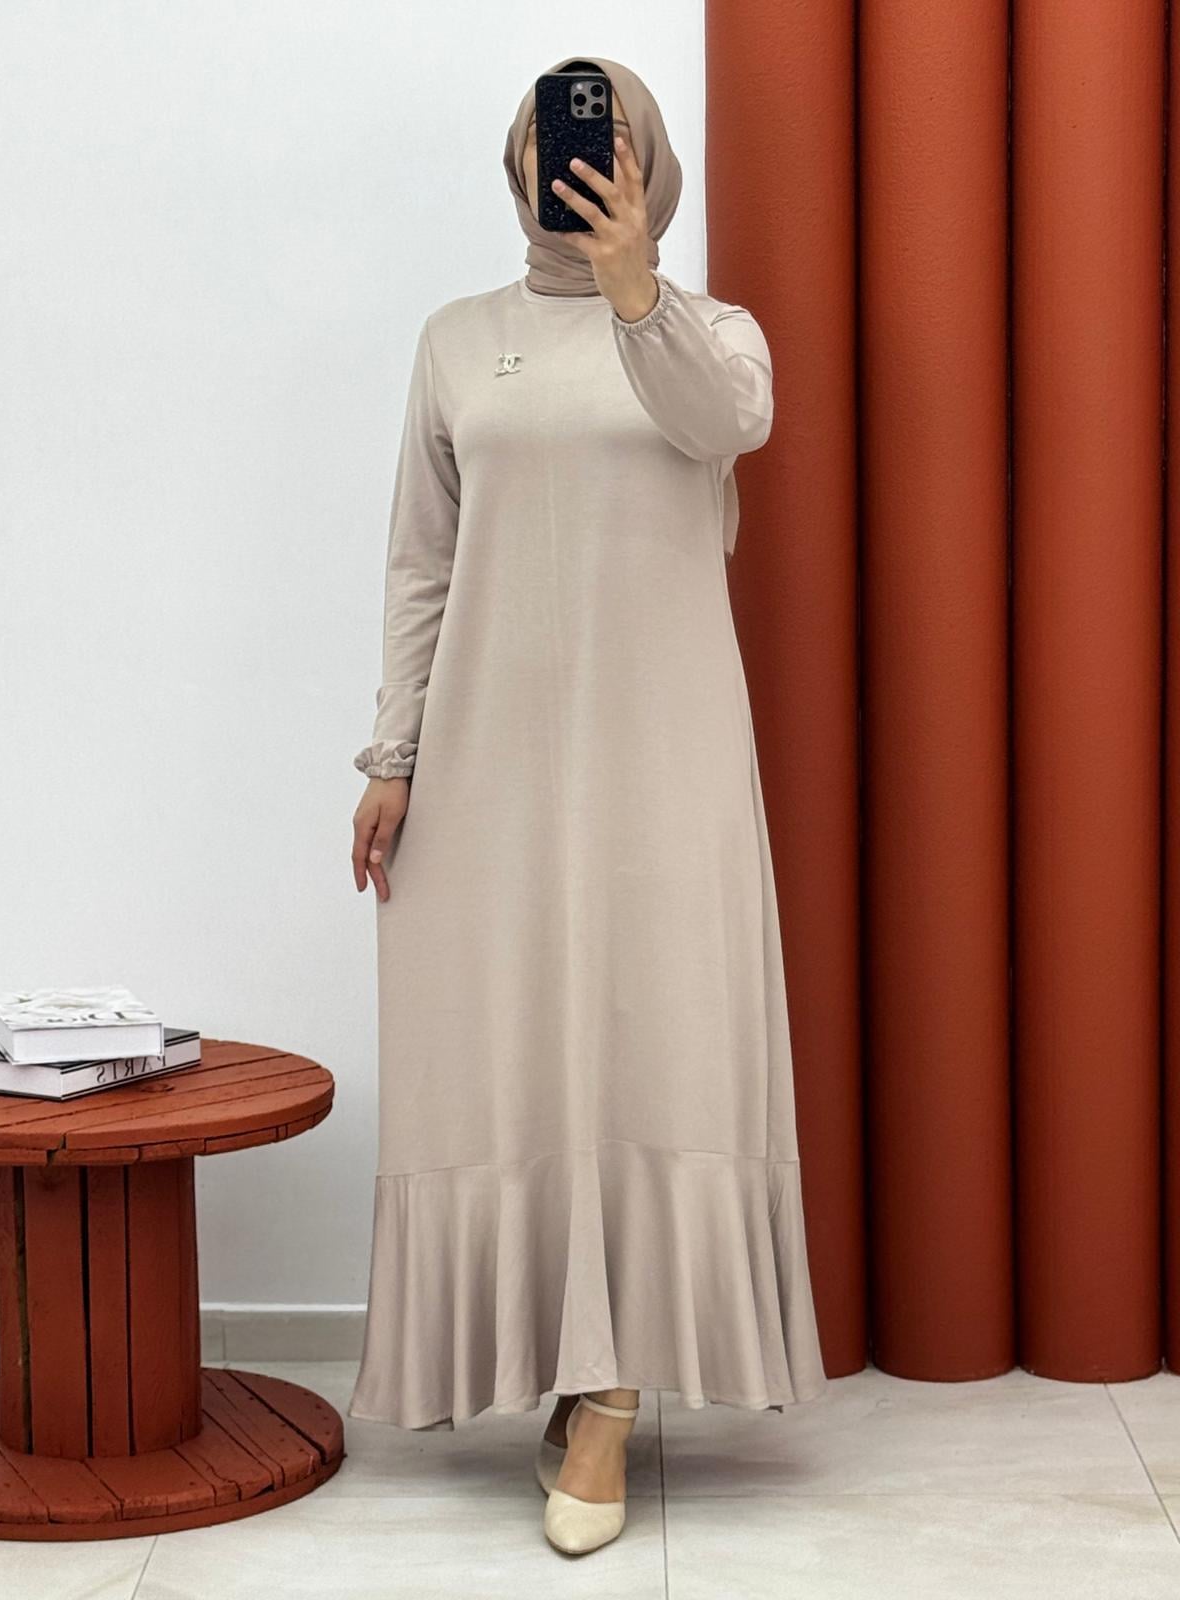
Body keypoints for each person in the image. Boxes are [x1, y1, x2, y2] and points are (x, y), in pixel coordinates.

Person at [347, 53, 828, 1556]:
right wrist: (392, 755)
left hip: (664, 752)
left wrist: (635, 292)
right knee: (514, 1049)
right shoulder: (455, 340)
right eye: (556, 141)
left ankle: (612, 1395)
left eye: (613, 139)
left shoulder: (713, 333)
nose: (579, 161)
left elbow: (723, 428)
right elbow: (422, 562)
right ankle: (566, 1360)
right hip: (487, 757)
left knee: (656, 1037)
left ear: (655, 165)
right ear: (517, 164)